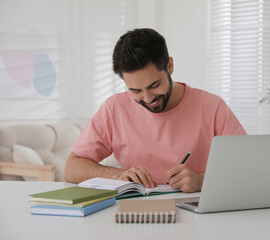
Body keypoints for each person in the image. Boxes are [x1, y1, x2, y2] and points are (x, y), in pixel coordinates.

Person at [64, 28, 246, 193]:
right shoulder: (114, 108)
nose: (148, 98)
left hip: (198, 209)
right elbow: (72, 168)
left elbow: (247, 167)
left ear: (170, 66)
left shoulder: (212, 107)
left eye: (154, 85)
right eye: (135, 91)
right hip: (136, 213)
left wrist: (201, 180)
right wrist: (117, 175)